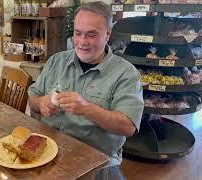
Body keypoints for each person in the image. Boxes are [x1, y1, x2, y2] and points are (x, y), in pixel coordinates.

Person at [27, 1, 144, 179]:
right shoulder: (56, 61)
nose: (82, 42)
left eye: (91, 35)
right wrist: (40, 103)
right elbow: (33, 99)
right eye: (78, 33)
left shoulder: (126, 74)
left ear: (108, 34)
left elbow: (128, 127)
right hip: (47, 150)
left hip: (97, 161)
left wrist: (86, 108)